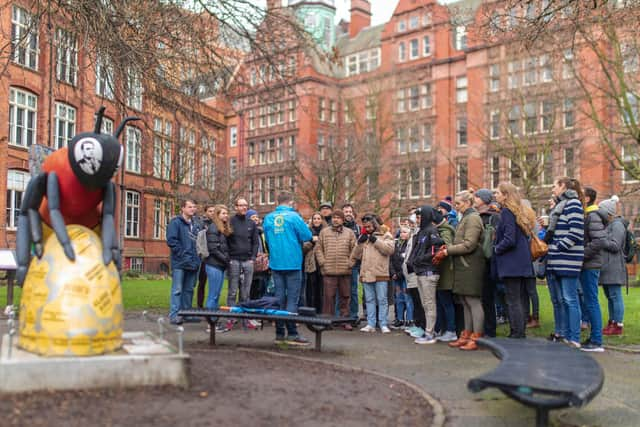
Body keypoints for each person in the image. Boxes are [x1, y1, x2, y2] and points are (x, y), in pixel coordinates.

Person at [263, 192, 313, 345]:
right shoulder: (294, 217)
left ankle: (279, 333)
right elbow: (307, 235)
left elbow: (266, 237)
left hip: (276, 262)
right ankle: (292, 333)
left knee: (279, 298)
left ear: (277, 202)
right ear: (291, 202)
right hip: (292, 262)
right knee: (292, 298)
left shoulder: (268, 218)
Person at [545, 177, 585, 348]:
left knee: (570, 299)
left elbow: (576, 232)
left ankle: (574, 338)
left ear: (562, 186)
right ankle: (566, 335)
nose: (552, 188)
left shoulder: (573, 204)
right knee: (562, 300)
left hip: (567, 260)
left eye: (554, 185)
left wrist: (557, 247)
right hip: (558, 261)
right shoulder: (562, 206)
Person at [445, 191, 486, 351]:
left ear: (467, 203)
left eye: (458, 204)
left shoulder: (473, 218)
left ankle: (477, 337)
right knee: (465, 301)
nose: (456, 207)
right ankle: (467, 334)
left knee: (473, 301)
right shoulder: (467, 218)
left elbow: (470, 244)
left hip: (471, 266)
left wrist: (448, 250)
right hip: (464, 265)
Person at [493, 183, 535, 339]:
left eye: (497, 193)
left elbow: (509, 239)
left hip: (512, 262)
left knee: (513, 299)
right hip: (521, 261)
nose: (495, 196)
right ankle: (519, 329)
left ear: (505, 195)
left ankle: (517, 331)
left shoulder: (507, 213)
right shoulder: (518, 211)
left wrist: (496, 249)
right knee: (519, 298)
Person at [406, 206, 444, 345]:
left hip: (429, 272)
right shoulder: (421, 232)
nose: (418, 219)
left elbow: (437, 250)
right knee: (425, 304)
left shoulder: (431, 231)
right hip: (420, 272)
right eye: (417, 217)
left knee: (429, 304)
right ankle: (428, 331)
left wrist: (419, 259)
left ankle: (430, 333)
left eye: (420, 216)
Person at [351, 214, 395, 333]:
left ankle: (383, 323)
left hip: (380, 272)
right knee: (369, 300)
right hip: (366, 272)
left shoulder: (386, 234)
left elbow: (389, 250)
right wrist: (359, 243)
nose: (368, 228)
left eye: (370, 226)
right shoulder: (363, 236)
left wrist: (376, 241)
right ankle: (371, 323)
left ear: (375, 224)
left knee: (382, 299)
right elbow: (355, 255)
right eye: (366, 226)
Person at [316, 209, 356, 328]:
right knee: (328, 298)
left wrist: (351, 262)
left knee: (345, 297)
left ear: (343, 220)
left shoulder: (349, 233)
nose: (335, 219)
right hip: (329, 270)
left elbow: (356, 249)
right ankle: (327, 322)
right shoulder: (324, 232)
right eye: (334, 217)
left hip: (345, 270)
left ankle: (345, 321)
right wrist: (323, 262)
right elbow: (318, 249)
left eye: (338, 217)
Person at [579, 187, 608, 351]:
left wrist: (581, 255)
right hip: (588, 264)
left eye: (580, 195)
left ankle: (597, 341)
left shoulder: (593, 216)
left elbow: (599, 241)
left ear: (588, 198)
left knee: (591, 302)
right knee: (590, 301)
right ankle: (594, 338)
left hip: (590, 265)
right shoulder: (588, 215)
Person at [166, 199, 201, 325]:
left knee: (189, 289)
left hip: (193, 262)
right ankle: (174, 315)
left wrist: (198, 256)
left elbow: (199, 242)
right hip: (179, 262)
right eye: (190, 207)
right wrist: (183, 254)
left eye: (194, 207)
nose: (193, 209)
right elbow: (172, 241)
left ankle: (186, 314)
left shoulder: (196, 224)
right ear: (183, 208)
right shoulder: (175, 223)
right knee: (177, 289)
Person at [226, 198, 260, 326]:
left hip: (248, 261)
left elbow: (255, 242)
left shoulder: (251, 223)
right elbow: (226, 241)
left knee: (246, 291)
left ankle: (245, 318)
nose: (244, 208)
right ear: (236, 207)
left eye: (246, 205)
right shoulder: (230, 222)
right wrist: (228, 258)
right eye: (241, 205)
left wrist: (253, 258)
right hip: (234, 260)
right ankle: (231, 317)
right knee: (232, 290)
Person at [473, 188, 500, 337]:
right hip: (478, 261)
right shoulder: (476, 216)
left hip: (489, 262)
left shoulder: (493, 217)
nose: (474, 199)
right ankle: (482, 328)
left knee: (488, 297)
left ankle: (490, 330)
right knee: (481, 297)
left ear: (484, 199)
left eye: (477, 197)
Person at [599, 196, 627, 337]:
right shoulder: (607, 225)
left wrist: (600, 239)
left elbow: (615, 245)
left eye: (601, 210)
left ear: (607, 212)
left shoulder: (617, 225)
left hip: (614, 266)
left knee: (615, 296)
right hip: (606, 266)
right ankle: (611, 322)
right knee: (610, 296)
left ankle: (618, 325)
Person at [203, 205, 232, 331]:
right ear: (217, 215)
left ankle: (213, 321)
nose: (226, 215)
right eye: (223, 213)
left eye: (227, 213)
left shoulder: (222, 228)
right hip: (214, 265)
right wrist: (227, 260)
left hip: (219, 265)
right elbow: (213, 249)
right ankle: (211, 324)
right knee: (213, 295)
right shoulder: (213, 228)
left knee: (216, 294)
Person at [433, 210, 457, 342]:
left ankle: (451, 330)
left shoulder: (445, 230)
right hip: (441, 272)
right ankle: (442, 328)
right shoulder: (442, 229)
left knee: (446, 303)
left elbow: (447, 246)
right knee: (441, 302)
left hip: (446, 272)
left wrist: (437, 244)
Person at [389, 226, 414, 329]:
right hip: (396, 277)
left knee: (407, 298)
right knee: (398, 299)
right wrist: (393, 273)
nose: (402, 234)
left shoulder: (410, 245)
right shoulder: (396, 245)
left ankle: (409, 319)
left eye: (405, 232)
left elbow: (408, 261)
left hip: (406, 276)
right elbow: (391, 260)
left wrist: (400, 273)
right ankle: (399, 319)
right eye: (401, 232)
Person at [342, 203, 361, 321]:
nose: (348, 214)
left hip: (354, 264)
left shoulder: (358, 228)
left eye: (350, 212)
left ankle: (354, 316)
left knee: (353, 291)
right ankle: (341, 315)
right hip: (341, 263)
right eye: (346, 212)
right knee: (341, 291)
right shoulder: (338, 227)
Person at [303, 212, 325, 312]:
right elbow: (302, 247)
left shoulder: (326, 231)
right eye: (314, 218)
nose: (316, 220)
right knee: (310, 288)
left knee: (321, 289)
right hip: (310, 263)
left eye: (318, 218)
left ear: (322, 220)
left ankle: (321, 310)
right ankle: (310, 310)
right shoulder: (307, 231)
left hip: (322, 263)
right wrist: (311, 241)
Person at [196, 205, 215, 308]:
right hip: (204, 257)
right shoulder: (201, 223)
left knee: (214, 283)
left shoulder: (217, 223)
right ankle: (200, 305)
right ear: (206, 212)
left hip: (215, 257)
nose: (212, 213)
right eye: (210, 211)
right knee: (202, 282)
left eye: (213, 211)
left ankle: (211, 305)